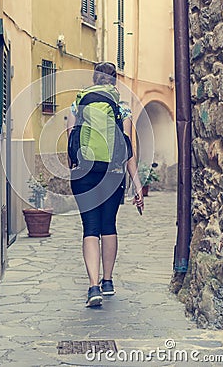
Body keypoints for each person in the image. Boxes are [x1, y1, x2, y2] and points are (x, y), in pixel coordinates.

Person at [67, 61, 144, 307]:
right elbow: (127, 146)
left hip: (85, 172)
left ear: (93, 79)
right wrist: (137, 182)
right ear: (114, 81)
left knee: (90, 227)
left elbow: (71, 138)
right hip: (113, 172)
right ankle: (108, 280)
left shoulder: (78, 103)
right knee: (108, 224)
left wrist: (77, 165)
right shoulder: (122, 108)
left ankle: (93, 287)